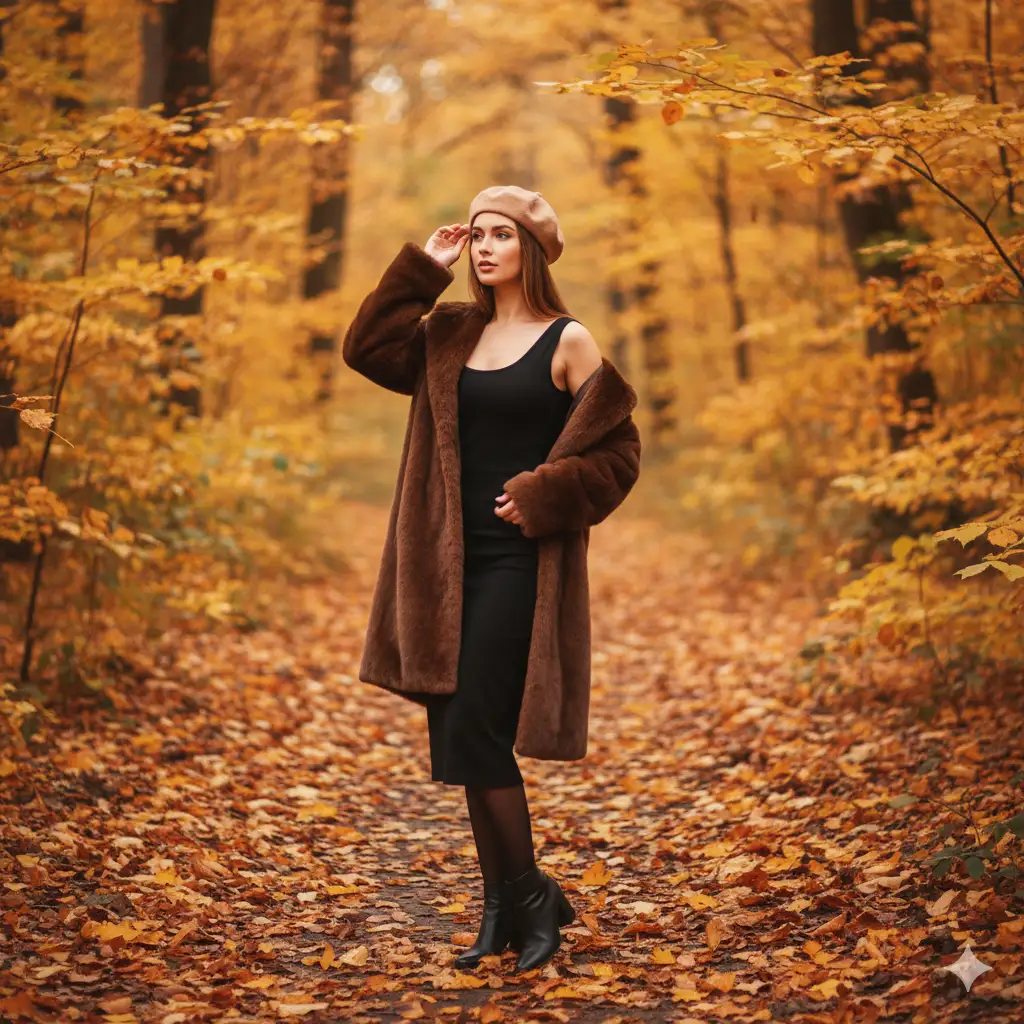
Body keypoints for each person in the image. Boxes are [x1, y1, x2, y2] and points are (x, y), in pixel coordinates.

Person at [342, 186, 641, 973]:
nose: (483, 247)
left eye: (500, 235)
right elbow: (366, 349)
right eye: (475, 235)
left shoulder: (568, 340)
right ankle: (510, 901)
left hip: (517, 562)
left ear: (532, 250)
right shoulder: (449, 331)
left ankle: (530, 897)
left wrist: (547, 493)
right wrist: (420, 270)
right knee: (458, 734)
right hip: (440, 563)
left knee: (477, 725)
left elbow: (619, 456)